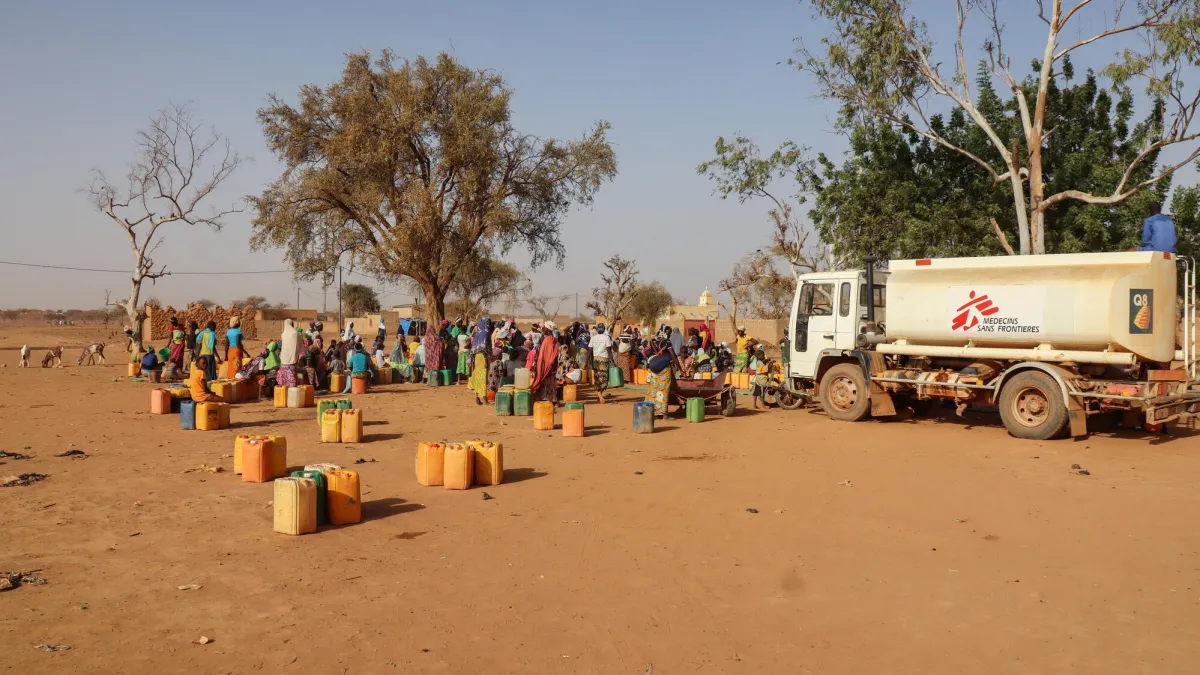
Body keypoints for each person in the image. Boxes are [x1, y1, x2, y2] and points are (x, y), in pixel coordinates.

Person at [529, 327, 560, 402]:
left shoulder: (549, 340)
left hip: (546, 365)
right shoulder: (549, 339)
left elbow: (552, 353)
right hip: (547, 364)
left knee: (547, 381)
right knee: (548, 382)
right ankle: (549, 398)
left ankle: (549, 398)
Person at [468, 318, 493, 404]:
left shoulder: (478, 334)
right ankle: (485, 398)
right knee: (483, 376)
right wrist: (487, 359)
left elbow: (473, 348)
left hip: (477, 357)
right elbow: (485, 348)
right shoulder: (486, 333)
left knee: (477, 376)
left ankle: (477, 397)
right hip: (483, 357)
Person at [589, 323, 614, 403]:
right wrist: (612, 361)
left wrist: (588, 361)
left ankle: (599, 396)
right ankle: (600, 394)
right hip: (604, 360)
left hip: (595, 359)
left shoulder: (593, 338)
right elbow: (609, 351)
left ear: (597, 329)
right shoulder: (606, 338)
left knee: (597, 378)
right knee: (605, 379)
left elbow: (590, 351)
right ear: (603, 329)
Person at [276, 319, 301, 387]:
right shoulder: (295, 333)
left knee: (284, 379)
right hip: (292, 360)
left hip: (283, 359)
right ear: (292, 324)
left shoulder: (283, 334)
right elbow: (299, 346)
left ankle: (284, 390)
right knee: (291, 378)